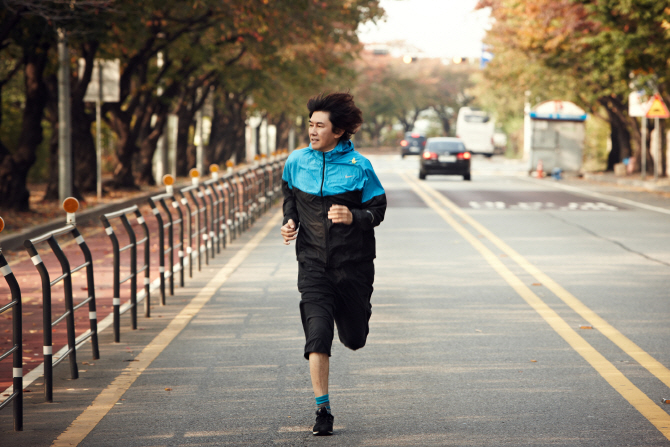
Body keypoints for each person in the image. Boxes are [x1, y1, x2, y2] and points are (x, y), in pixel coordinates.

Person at [280, 92, 386, 436]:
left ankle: (355, 318)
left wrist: (354, 216)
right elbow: (289, 198)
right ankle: (322, 409)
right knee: (318, 334)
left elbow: (378, 210)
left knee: (354, 339)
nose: (312, 131)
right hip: (312, 264)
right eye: (310, 125)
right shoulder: (297, 162)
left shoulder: (360, 167)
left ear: (337, 131)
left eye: (319, 126)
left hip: (353, 266)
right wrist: (290, 221)